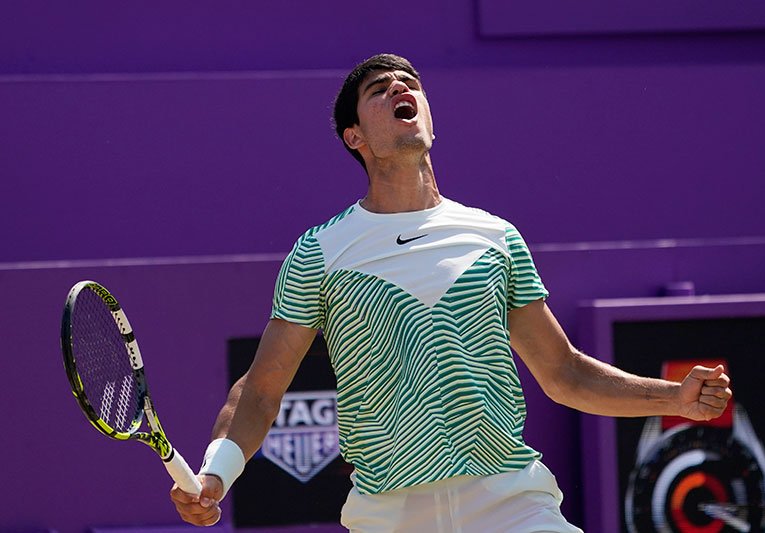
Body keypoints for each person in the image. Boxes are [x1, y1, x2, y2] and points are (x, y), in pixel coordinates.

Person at [169, 54, 732, 531]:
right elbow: (260, 391)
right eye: (378, 90)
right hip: (389, 514)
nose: (400, 89)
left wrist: (674, 399)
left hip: (511, 502)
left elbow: (564, 373)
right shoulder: (321, 251)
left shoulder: (495, 237)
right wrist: (217, 472)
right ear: (354, 137)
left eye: (409, 84)